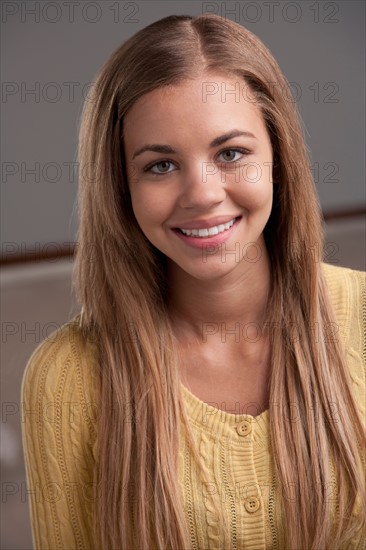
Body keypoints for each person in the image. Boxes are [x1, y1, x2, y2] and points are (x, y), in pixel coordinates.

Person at [21, 13, 365, 550]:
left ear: (279, 160)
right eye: (160, 165)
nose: (202, 194)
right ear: (120, 187)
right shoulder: (65, 379)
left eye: (231, 153)